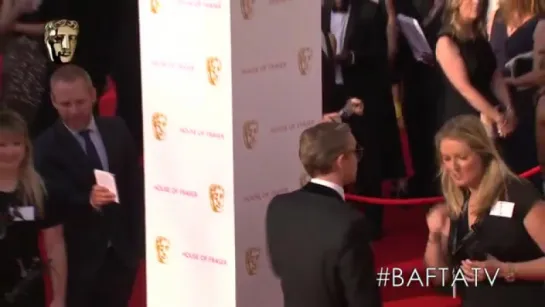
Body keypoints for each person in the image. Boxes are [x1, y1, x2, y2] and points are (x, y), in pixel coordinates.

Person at [33, 65, 143, 307]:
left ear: (94, 95)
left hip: (123, 254)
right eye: (65, 104)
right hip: (78, 262)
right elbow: (52, 205)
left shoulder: (117, 129)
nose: (74, 111)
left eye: (80, 102)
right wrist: (87, 201)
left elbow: (134, 187)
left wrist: (136, 245)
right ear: (53, 101)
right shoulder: (44, 147)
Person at [425, 115, 545, 306]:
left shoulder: (517, 193)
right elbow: (438, 278)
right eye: (447, 159)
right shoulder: (457, 203)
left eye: (462, 158)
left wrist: (506, 269)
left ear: (483, 154)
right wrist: (434, 236)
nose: (453, 167)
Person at [266, 122, 381, 307]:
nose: (358, 159)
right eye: (355, 151)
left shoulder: (278, 207)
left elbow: (279, 268)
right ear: (341, 160)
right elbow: (363, 298)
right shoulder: (351, 223)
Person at [323, 0, 405, 239]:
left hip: (362, 95)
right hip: (329, 96)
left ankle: (372, 223)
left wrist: (352, 57)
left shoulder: (371, 11)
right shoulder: (321, 12)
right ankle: (337, 218)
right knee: (331, 157)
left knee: (366, 158)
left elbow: (382, 55)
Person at [0, 110, 66, 307]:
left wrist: (59, 298)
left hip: (26, 291)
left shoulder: (40, 191)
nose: (9, 151)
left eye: (16, 144)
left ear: (26, 147)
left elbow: (55, 246)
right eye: (1, 145)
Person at [436, 0, 515, 136]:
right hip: (465, 123)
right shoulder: (446, 42)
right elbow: (464, 88)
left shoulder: (480, 39)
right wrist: (497, 116)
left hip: (493, 118)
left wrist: (509, 108)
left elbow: (495, 76)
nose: (477, 2)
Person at [489, 0, 545, 189]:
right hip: (500, 109)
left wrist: (511, 82)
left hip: (528, 107)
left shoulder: (540, 22)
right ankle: (506, 216)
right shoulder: (498, 18)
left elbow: (541, 74)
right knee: (504, 175)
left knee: (528, 171)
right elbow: (492, 62)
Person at [392, 0, 445, 196]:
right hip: (413, 79)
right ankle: (421, 182)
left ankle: (438, 182)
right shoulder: (404, 5)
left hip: (443, 81)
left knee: (438, 131)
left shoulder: (450, 7)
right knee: (416, 132)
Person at [0, 0, 67, 126]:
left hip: (42, 56)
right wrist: (17, 9)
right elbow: (2, 26)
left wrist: (16, 26)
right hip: (12, 56)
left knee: (22, 112)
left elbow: (57, 26)